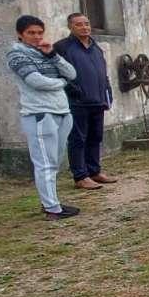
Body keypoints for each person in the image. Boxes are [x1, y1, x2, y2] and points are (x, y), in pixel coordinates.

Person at [5, 15, 79, 220]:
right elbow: (35, 81)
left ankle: (51, 202)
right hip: (39, 113)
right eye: (31, 33)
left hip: (61, 111)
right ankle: (52, 208)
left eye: (39, 32)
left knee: (54, 162)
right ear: (20, 34)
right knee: (45, 163)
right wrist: (61, 83)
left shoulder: (44, 52)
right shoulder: (16, 54)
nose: (37, 37)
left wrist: (53, 55)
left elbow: (72, 73)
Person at [54, 13, 116, 190]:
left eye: (87, 24)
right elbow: (56, 72)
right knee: (78, 139)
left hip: (97, 99)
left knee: (95, 137)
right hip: (77, 102)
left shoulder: (96, 47)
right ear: (70, 27)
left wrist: (107, 92)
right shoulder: (62, 47)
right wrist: (72, 90)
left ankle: (94, 171)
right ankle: (80, 176)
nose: (85, 27)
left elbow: (102, 72)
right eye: (79, 24)